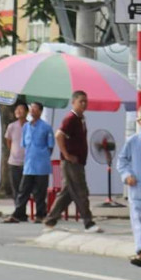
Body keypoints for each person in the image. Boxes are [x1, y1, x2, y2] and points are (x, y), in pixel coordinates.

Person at [44, 90, 102, 233]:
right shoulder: (70, 118)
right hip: (71, 163)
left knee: (68, 193)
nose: (83, 104)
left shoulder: (81, 119)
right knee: (81, 191)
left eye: (85, 101)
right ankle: (88, 222)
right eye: (81, 101)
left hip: (79, 162)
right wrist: (67, 155)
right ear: (74, 102)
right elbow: (59, 135)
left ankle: (51, 219)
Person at [5, 101, 54, 223]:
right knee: (23, 190)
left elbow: (50, 146)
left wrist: (43, 156)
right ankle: (18, 214)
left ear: (41, 111)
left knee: (40, 192)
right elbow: (23, 144)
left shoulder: (46, 127)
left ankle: (40, 214)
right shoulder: (26, 127)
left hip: (41, 164)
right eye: (32, 108)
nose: (33, 111)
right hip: (28, 164)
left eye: (35, 109)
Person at [117, 119, 141, 267]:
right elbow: (122, 160)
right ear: (140, 123)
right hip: (137, 186)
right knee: (138, 220)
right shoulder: (132, 141)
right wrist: (127, 175)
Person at [4, 101, 27, 202]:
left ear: (27, 112)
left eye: (21, 109)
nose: (18, 111)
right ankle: (17, 208)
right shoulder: (11, 126)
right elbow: (9, 142)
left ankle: (23, 207)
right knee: (16, 187)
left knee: (26, 187)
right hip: (14, 162)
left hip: (27, 162)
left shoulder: (30, 126)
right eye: (17, 109)